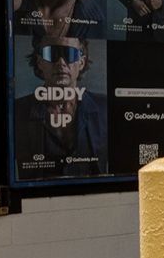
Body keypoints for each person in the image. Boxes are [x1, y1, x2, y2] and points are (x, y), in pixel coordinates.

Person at [12, 37, 107, 181]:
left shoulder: (104, 108)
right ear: (40, 62)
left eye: (69, 54)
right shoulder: (18, 111)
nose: (61, 62)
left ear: (81, 62)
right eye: (52, 53)